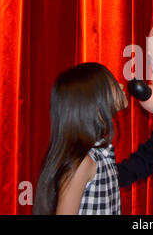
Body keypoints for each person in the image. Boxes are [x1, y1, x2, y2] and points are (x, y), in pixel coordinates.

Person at [33, 62, 127, 215]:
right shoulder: (84, 162)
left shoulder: (102, 155)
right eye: (113, 84)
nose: (121, 86)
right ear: (94, 104)